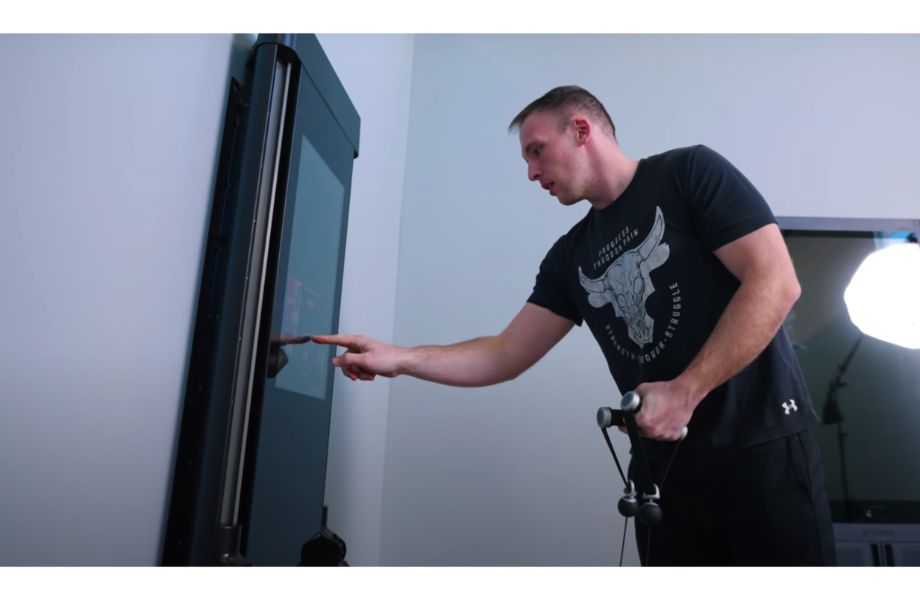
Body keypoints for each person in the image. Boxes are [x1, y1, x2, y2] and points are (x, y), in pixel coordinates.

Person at [310, 85, 836, 566]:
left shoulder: (689, 174)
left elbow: (775, 281)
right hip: (664, 478)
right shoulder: (569, 258)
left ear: (581, 130)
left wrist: (685, 392)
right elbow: (504, 352)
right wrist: (398, 358)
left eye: (536, 150)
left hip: (761, 451)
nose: (531, 173)